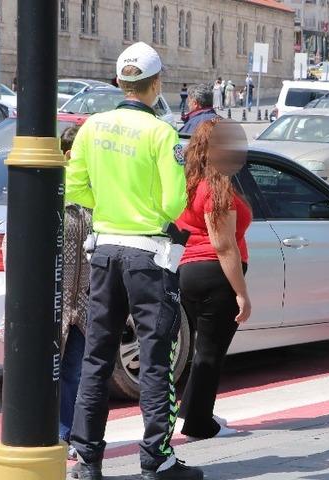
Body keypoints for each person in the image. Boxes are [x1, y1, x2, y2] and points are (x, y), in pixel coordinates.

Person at [65, 41, 201, 480]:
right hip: (148, 254)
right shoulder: (162, 133)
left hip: (103, 249)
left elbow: (76, 188)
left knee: (96, 358)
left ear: (120, 82)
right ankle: (156, 458)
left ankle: (86, 460)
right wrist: (147, 214)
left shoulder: (92, 126)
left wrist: (109, 209)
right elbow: (174, 201)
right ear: (155, 84)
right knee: (155, 360)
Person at [175, 118, 252, 440]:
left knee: (201, 349)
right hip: (213, 274)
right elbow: (223, 243)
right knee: (211, 354)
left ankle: (193, 410)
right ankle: (199, 425)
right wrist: (242, 293)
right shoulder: (215, 186)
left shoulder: (188, 182)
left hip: (187, 271)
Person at [58, 126, 92, 461]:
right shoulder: (53, 190)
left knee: (75, 371)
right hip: (54, 303)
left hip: (82, 303)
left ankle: (65, 434)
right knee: (57, 371)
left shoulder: (94, 194)